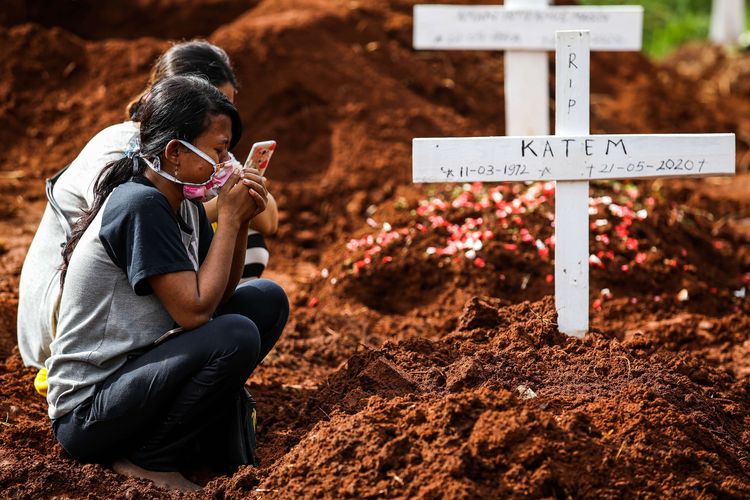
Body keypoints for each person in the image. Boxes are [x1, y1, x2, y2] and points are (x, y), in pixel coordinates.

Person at [47, 75, 288, 491]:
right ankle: (151, 459)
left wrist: (241, 219)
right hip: (90, 410)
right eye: (218, 151)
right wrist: (228, 218)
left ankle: (184, 429)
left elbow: (218, 296)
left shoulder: (185, 202)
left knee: (264, 299)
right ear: (175, 152)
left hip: (140, 376)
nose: (225, 163)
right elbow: (194, 313)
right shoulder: (140, 205)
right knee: (234, 335)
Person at [17, 40, 278, 387]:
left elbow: (267, 219)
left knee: (255, 280)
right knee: (223, 320)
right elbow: (134, 227)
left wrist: (233, 206)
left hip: (134, 299)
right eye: (212, 105)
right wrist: (228, 210)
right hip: (69, 321)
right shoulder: (127, 157)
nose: (223, 124)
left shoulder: (179, 170)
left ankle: (187, 378)